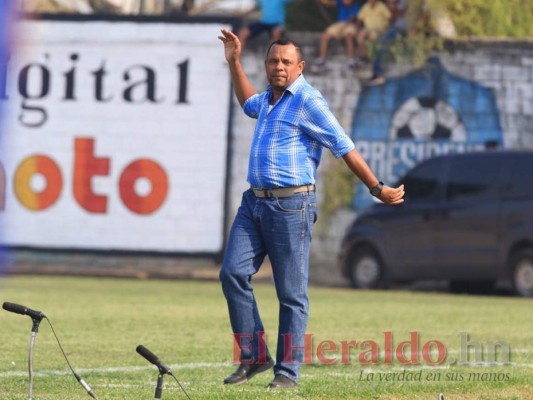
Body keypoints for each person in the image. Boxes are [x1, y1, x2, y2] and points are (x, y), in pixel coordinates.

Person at [217, 28, 404, 389]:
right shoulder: (269, 100)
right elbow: (246, 102)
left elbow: (343, 145)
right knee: (231, 273)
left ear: (300, 66)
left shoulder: (308, 101)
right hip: (253, 202)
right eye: (273, 61)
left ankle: (287, 373)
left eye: (286, 62)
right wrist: (234, 61)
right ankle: (254, 357)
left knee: (291, 294)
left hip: (291, 206)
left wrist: (376, 187)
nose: (278, 67)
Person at [366, 0, 408, 85]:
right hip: (395, 28)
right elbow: (393, 18)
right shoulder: (397, 3)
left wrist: (392, 7)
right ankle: (376, 73)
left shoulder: (405, 2)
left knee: (382, 43)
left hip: (402, 29)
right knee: (379, 43)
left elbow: (400, 13)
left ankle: (378, 75)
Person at [315, 0, 364, 69]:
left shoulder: (356, 6)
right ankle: (321, 59)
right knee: (324, 36)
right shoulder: (340, 2)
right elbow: (327, 2)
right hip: (339, 25)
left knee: (348, 36)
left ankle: (351, 60)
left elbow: (356, 19)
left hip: (350, 25)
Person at [355, 0, 392, 65]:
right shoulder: (366, 6)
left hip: (379, 29)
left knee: (372, 36)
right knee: (360, 36)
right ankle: (364, 56)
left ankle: (374, 58)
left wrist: (387, 28)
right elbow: (360, 18)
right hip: (367, 28)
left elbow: (389, 17)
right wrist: (358, 28)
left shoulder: (381, 6)